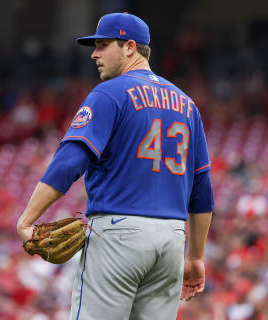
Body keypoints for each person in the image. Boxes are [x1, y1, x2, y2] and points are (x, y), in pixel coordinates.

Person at [17, 12, 213, 320]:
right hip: (171, 241)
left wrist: (27, 220)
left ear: (130, 47)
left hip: (119, 233)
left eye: (103, 45)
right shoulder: (187, 105)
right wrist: (196, 257)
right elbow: (201, 190)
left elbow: (70, 161)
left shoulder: (109, 93)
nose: (94, 54)